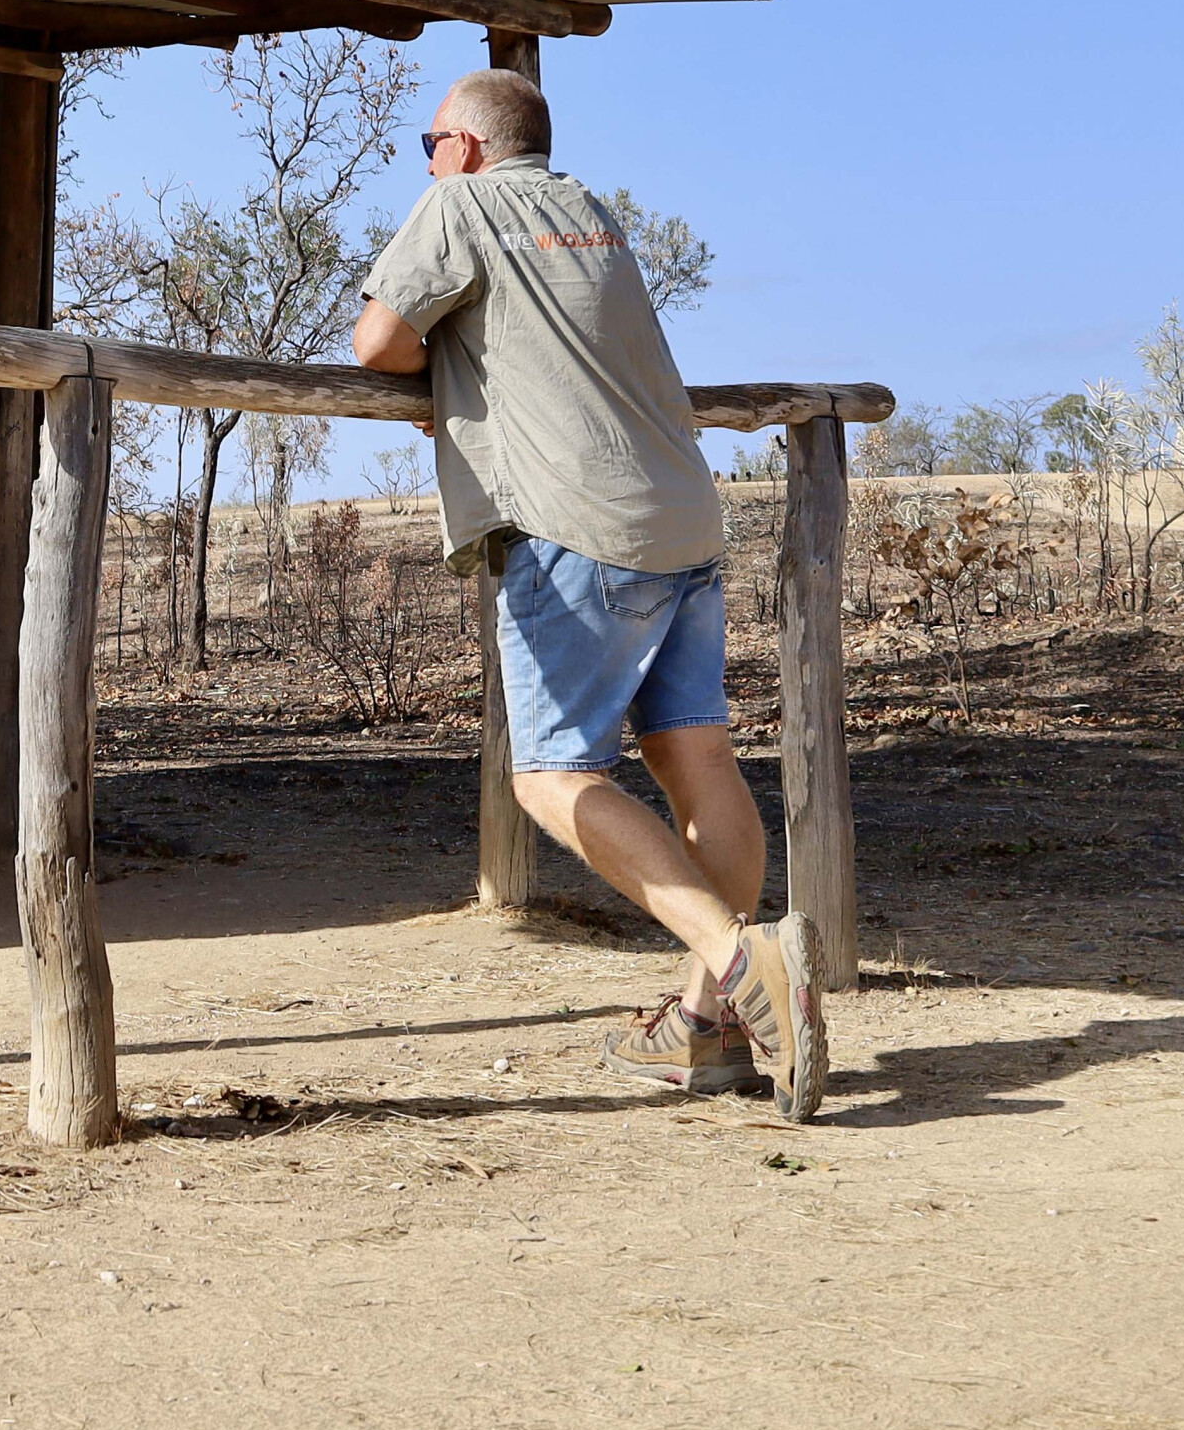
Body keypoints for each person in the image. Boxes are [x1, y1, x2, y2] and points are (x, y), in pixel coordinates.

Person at [348, 66, 826, 1122]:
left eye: (427, 145)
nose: (425, 163)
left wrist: (431, 374)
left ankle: (741, 955)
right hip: (683, 516)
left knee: (550, 777)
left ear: (464, 147)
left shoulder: (461, 202)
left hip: (579, 529)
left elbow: (376, 342)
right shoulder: (587, 212)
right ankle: (708, 1028)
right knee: (694, 757)